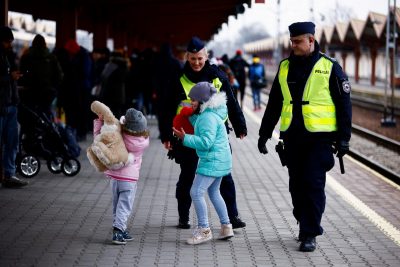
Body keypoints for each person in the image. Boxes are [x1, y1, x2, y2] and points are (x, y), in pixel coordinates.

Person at [257, 22, 352, 252]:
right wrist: (264, 134)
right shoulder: (284, 67)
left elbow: (344, 105)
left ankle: (310, 232)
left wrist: (344, 139)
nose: (294, 45)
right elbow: (274, 103)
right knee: (296, 187)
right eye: (292, 41)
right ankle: (303, 220)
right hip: (292, 138)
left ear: (311, 40)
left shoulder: (330, 67)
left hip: (320, 140)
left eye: (298, 41)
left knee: (313, 185)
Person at [158, 36, 247, 230]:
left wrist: (240, 125)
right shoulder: (178, 78)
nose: (197, 63)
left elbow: (230, 101)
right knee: (187, 176)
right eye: (192, 59)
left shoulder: (218, 76)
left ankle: (232, 216)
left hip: (216, 136)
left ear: (206, 56)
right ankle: (184, 217)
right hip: (187, 135)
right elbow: (165, 108)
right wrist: (166, 135)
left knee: (224, 176)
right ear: (187, 57)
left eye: (200, 58)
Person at [173, 82, 234, 245]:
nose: (191, 102)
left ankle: (204, 229)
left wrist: (185, 138)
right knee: (214, 192)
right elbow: (202, 127)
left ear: (202, 100)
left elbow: (206, 142)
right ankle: (226, 226)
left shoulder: (207, 117)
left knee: (196, 192)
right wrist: (189, 116)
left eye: (193, 100)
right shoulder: (211, 114)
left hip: (212, 161)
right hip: (220, 159)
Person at [93, 107, 150, 244]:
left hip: (114, 178)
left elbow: (99, 138)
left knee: (117, 205)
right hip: (129, 180)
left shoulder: (118, 135)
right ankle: (118, 231)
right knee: (125, 206)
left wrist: (99, 123)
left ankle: (119, 227)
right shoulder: (142, 142)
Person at [0, 26, 28, 188]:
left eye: (10, 42)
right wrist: (8, 77)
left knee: (12, 142)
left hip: (11, 104)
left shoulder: (9, 56)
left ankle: (9, 174)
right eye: (6, 42)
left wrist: (13, 76)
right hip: (2, 106)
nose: (9, 45)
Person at [19, 34, 63, 119]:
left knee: (31, 115)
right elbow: (59, 76)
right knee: (46, 114)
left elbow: (21, 74)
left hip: (30, 92)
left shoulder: (26, 57)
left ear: (33, 44)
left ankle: (31, 131)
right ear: (45, 44)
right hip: (47, 92)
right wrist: (53, 88)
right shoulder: (51, 57)